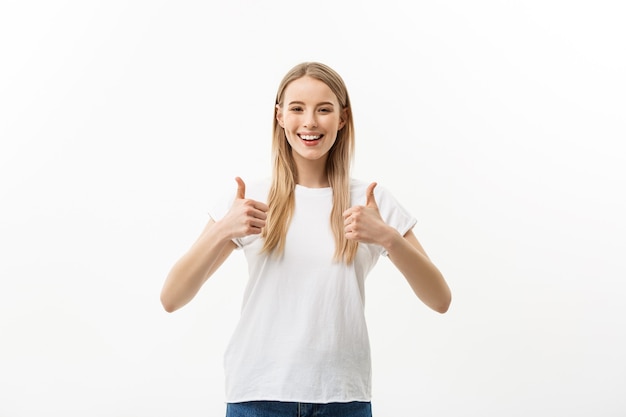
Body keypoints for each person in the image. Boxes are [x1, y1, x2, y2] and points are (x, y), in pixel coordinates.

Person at [160, 61, 451, 417]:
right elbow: (172, 297)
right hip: (258, 395)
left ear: (342, 119)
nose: (310, 121)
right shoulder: (247, 198)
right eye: (297, 108)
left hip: (344, 399)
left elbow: (440, 298)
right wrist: (224, 228)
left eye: (324, 109)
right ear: (279, 116)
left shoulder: (372, 202)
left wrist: (389, 238)